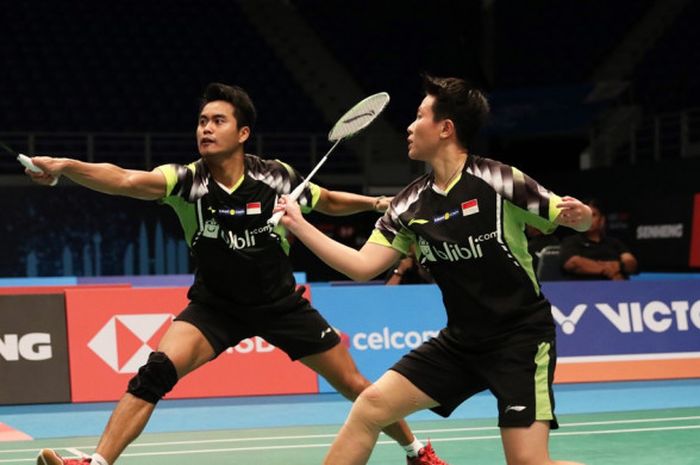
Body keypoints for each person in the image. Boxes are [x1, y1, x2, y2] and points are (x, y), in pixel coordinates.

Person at [29, 83, 447, 465]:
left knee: (355, 383)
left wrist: (375, 204)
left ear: (243, 133)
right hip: (216, 306)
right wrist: (66, 165)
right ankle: (97, 463)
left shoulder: (276, 176)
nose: (206, 129)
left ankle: (416, 453)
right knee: (154, 373)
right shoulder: (187, 182)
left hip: (280, 305)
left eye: (218, 121)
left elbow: (328, 201)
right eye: (202, 121)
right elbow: (123, 179)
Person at [276, 75, 592, 465]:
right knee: (370, 406)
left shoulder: (499, 179)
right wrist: (299, 224)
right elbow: (362, 267)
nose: (409, 127)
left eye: (419, 116)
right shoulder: (409, 203)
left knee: (528, 463)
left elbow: (565, 215)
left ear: (445, 128)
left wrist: (582, 218)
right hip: (461, 342)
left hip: (519, 340)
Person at [560, 199, 638, 280]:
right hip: (583, 288)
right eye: (585, 215)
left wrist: (621, 266)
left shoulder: (614, 243)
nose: (589, 219)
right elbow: (573, 263)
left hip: (615, 287)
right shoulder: (571, 241)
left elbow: (630, 262)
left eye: (593, 215)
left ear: (602, 220)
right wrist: (607, 269)